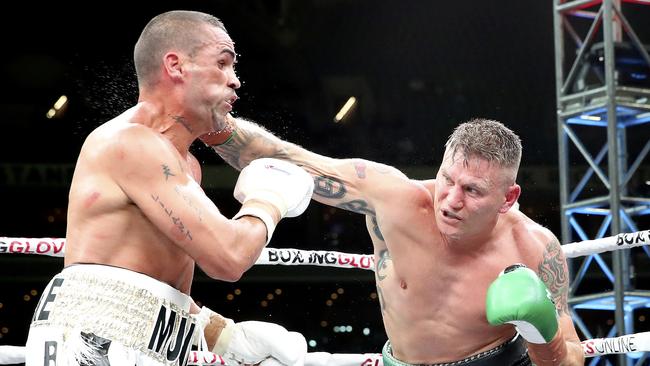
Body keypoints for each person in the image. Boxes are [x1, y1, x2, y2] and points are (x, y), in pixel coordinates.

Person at [25, 10, 314, 366]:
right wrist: (269, 199)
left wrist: (221, 333)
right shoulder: (131, 143)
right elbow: (229, 257)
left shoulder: (186, 165)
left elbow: (158, 285)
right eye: (222, 64)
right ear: (176, 66)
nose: (235, 80)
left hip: (145, 345)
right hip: (90, 343)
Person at [202, 117, 585, 365]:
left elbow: (570, 358)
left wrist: (542, 331)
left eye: (472, 190)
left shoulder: (535, 247)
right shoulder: (395, 200)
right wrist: (208, 121)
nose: (450, 200)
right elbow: (284, 158)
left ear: (508, 198)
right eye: (448, 180)